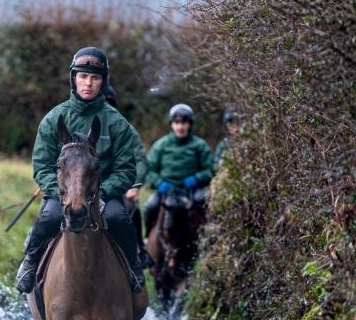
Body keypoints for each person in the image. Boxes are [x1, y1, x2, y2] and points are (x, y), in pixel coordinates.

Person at [14, 47, 146, 294]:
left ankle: (134, 267)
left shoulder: (117, 123)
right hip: (63, 193)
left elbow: (127, 169)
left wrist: (104, 193)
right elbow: (41, 166)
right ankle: (30, 263)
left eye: (95, 78)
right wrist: (60, 193)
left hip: (103, 193)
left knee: (119, 219)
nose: (88, 83)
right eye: (83, 77)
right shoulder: (54, 119)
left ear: (103, 82)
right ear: (73, 79)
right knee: (50, 217)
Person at [104, 84, 154, 268]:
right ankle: (33, 256)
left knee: (132, 210)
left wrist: (135, 185)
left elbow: (140, 159)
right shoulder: (79, 122)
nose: (105, 105)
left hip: (118, 189)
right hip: (85, 188)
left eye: (109, 102)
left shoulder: (126, 129)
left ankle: (138, 252)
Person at [143, 103, 214, 234]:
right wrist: (159, 183)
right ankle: (148, 239)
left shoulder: (200, 145)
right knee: (150, 207)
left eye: (184, 123)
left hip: (190, 189)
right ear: (171, 124)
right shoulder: (160, 145)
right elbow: (148, 170)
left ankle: (207, 239)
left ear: (190, 124)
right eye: (177, 123)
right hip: (166, 189)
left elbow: (210, 170)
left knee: (203, 201)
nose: (180, 127)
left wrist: (197, 179)